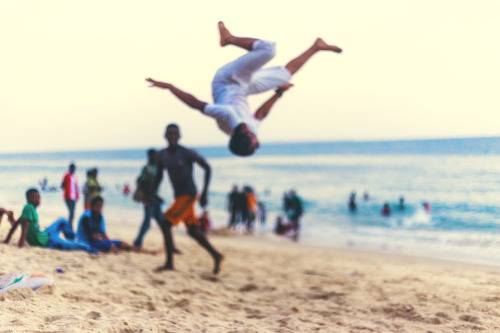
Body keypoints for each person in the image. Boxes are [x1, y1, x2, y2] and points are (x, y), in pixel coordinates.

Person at [146, 22, 342, 157]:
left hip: (227, 80)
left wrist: (169, 87)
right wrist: (279, 93)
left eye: (254, 146)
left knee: (269, 49)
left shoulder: (226, 115)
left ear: (247, 137)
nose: (258, 145)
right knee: (284, 76)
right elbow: (260, 114)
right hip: (244, 89)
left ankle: (229, 39)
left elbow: (195, 104)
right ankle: (316, 47)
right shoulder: (250, 129)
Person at [154, 124, 223, 273]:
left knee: (166, 224)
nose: (172, 136)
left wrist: (205, 193)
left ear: (179, 136)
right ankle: (216, 255)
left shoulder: (187, 153)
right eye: (169, 133)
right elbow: (159, 176)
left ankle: (169, 263)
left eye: (175, 133)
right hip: (179, 196)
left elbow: (207, 168)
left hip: (189, 194)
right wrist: (152, 193)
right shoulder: (162, 155)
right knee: (193, 231)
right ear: (165, 136)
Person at [5, 188, 95, 252]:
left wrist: (6, 240)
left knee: (62, 220)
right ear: (28, 199)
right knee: (81, 246)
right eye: (34, 197)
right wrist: (21, 245)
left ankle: (72, 239)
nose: (37, 199)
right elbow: (24, 228)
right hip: (47, 242)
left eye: (38, 197)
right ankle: (90, 248)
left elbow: (16, 224)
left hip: (45, 234)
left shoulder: (29, 210)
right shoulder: (28, 207)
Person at [76, 196, 147, 253]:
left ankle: (141, 250)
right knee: (112, 247)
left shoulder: (99, 216)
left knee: (123, 244)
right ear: (93, 206)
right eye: (97, 205)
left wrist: (108, 241)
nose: (99, 207)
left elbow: (103, 233)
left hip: (95, 240)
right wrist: (107, 242)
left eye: (101, 205)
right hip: (86, 242)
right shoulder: (86, 217)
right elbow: (91, 235)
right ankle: (123, 250)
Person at [132, 149, 166, 248]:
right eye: (155, 155)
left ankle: (170, 244)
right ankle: (137, 243)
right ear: (150, 156)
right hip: (150, 200)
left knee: (162, 223)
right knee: (147, 223)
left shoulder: (157, 167)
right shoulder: (147, 168)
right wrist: (147, 199)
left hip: (155, 199)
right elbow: (143, 184)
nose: (156, 157)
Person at [61, 163, 79, 229]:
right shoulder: (66, 175)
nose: (74, 169)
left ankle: (70, 225)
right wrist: (66, 189)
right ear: (70, 168)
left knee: (73, 212)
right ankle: (69, 226)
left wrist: (77, 196)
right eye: (72, 168)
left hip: (73, 197)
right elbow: (62, 185)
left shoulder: (74, 177)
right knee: (71, 212)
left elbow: (76, 187)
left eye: (74, 168)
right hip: (68, 196)